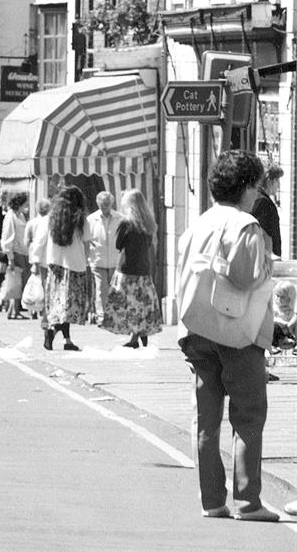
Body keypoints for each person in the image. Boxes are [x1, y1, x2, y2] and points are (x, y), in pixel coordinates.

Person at [175, 150, 278, 522]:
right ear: (248, 186)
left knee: (206, 421)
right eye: (257, 186)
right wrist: (267, 257)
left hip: (198, 330)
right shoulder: (245, 226)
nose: (259, 193)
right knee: (248, 416)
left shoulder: (197, 223)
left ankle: (212, 500)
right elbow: (245, 277)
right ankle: (248, 501)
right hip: (237, 333)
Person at [100, 189, 162, 348]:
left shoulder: (126, 223)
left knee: (127, 304)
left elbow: (118, 245)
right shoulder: (149, 223)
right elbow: (148, 245)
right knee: (141, 303)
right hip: (143, 269)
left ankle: (135, 337)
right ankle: (140, 332)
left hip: (126, 269)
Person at [34, 186, 91, 350]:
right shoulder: (81, 219)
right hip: (75, 266)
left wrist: (36, 262)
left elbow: (39, 242)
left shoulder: (50, 219)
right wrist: (86, 261)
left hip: (55, 267)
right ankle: (54, 332)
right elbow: (87, 243)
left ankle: (66, 339)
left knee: (59, 306)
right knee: (69, 308)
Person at [87, 191, 123, 323]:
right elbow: (87, 239)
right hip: (98, 259)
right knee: (101, 289)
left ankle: (114, 315)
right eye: (102, 204)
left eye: (107, 204)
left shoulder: (120, 218)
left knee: (114, 289)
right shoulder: (91, 219)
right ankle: (102, 316)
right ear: (98, 204)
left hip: (115, 259)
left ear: (112, 203)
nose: (105, 206)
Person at [0, 193, 30, 319]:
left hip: (23, 252)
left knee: (18, 282)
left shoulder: (20, 215)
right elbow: (7, 238)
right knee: (17, 281)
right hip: (16, 252)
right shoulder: (10, 216)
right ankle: (14, 310)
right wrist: (10, 257)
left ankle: (14, 310)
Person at [24, 198, 51, 319]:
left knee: (35, 283)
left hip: (34, 256)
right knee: (45, 284)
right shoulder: (50, 222)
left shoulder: (31, 223)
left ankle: (33, 310)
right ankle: (44, 309)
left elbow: (26, 241)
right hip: (47, 256)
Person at [251, 163, 283, 258]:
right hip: (265, 260)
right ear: (269, 181)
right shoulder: (262, 202)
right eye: (277, 180)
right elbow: (262, 234)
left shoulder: (260, 199)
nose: (279, 185)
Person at [271, 280, 296, 349]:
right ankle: (276, 345)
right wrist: (280, 322)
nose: (278, 299)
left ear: (290, 298)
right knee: (272, 324)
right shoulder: (275, 310)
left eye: (282, 297)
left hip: (292, 334)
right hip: (279, 337)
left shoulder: (293, 309)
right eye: (277, 296)